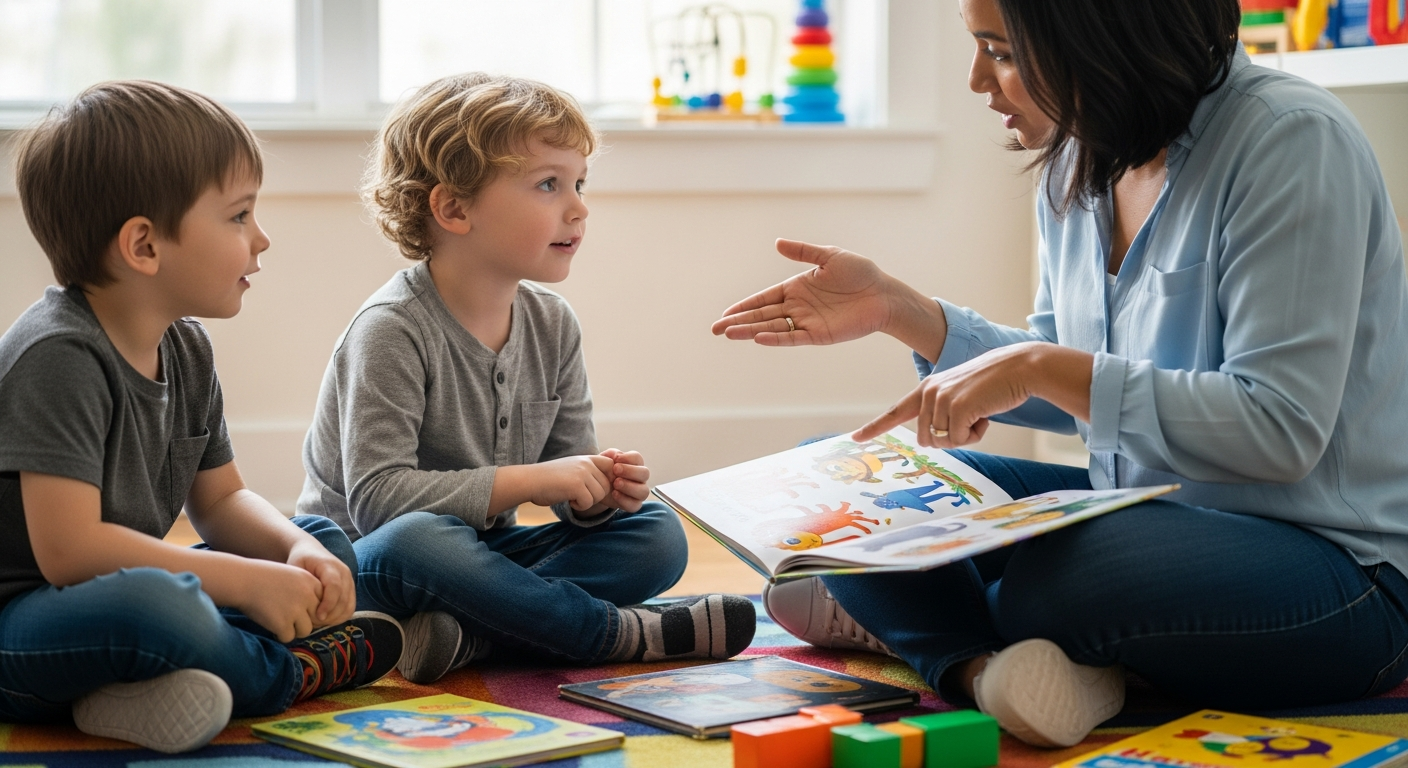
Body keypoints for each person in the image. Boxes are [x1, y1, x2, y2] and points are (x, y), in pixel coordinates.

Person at [713, 0, 1408, 749]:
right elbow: (1063, 373)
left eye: (1000, 51)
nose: (978, 80)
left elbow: (1279, 430)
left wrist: (1041, 365)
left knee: (1063, 579)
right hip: (1150, 511)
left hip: (1340, 572)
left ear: (1101, 33)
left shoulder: (1289, 141)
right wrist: (902, 309)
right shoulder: (1081, 157)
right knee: (837, 484)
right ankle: (984, 671)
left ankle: (918, 617)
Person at [298, 73, 755, 685]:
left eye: (579, 183)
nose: (579, 207)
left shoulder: (552, 323)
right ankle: (610, 633)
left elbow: (569, 489)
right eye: (548, 185)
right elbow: (380, 501)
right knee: (423, 539)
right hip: (372, 565)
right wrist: (535, 479)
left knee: (657, 534)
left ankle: (475, 637)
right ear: (454, 208)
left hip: (483, 562)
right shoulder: (391, 329)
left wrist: (598, 490)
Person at [0, 81, 405, 754]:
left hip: (119, 596)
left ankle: (140, 693)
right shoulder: (57, 357)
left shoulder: (184, 344)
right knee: (161, 608)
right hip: (24, 625)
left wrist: (291, 555)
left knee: (322, 543)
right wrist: (246, 581)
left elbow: (221, 500)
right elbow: (71, 554)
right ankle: (288, 672)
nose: (262, 238)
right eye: (239, 216)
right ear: (145, 247)